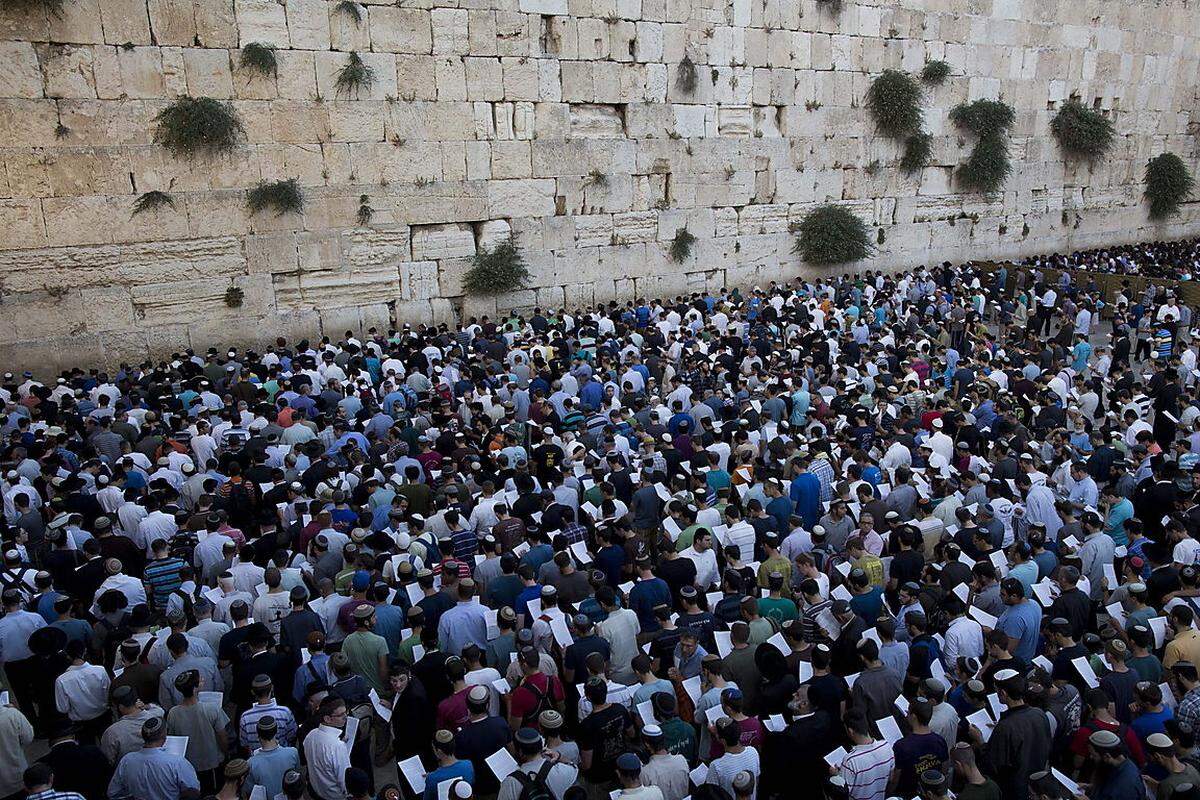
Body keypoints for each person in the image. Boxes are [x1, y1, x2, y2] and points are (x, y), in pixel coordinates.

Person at [107, 716, 201, 800]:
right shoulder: (177, 763)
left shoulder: (127, 760)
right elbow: (193, 791)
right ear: (164, 736)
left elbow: (113, 793)